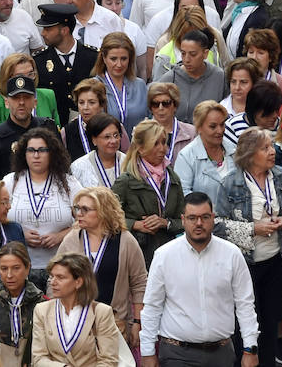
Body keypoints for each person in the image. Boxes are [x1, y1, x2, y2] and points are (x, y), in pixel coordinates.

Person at [138, 191, 258, 367]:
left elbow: (245, 304)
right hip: (176, 353)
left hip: (221, 353)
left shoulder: (232, 254)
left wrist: (250, 349)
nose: (199, 223)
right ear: (183, 219)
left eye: (205, 217)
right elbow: (152, 306)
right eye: (192, 218)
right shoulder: (164, 255)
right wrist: (147, 352)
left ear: (213, 218)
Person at [213, 127, 282, 367]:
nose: (273, 151)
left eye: (272, 146)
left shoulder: (280, 175)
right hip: (245, 265)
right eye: (265, 148)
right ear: (250, 154)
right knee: (245, 323)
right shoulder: (230, 183)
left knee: (271, 322)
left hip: (276, 261)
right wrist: (253, 229)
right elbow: (217, 225)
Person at [55, 185, 146, 350]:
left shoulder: (125, 240)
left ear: (104, 211)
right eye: (77, 208)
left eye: (85, 209)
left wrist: (137, 322)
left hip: (114, 325)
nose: (79, 214)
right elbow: (54, 280)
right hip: (75, 325)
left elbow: (139, 283)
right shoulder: (72, 239)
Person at [2, 127, 79, 276]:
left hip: (62, 267)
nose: (36, 155)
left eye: (42, 150)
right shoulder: (11, 181)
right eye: (31, 150)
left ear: (52, 153)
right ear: (24, 154)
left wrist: (62, 235)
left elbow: (87, 219)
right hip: (18, 270)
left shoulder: (68, 183)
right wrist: (19, 234)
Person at [30, 252, 123, 367]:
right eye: (52, 276)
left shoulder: (101, 312)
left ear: (78, 282)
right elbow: (38, 358)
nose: (53, 282)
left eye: (60, 277)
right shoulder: (42, 310)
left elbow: (109, 360)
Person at [113, 120, 184, 267]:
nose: (162, 149)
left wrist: (166, 223)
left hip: (169, 253)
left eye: (164, 142)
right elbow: (107, 218)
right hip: (137, 254)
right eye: (155, 143)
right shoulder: (126, 181)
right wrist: (135, 224)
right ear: (140, 148)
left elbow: (183, 220)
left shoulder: (173, 179)